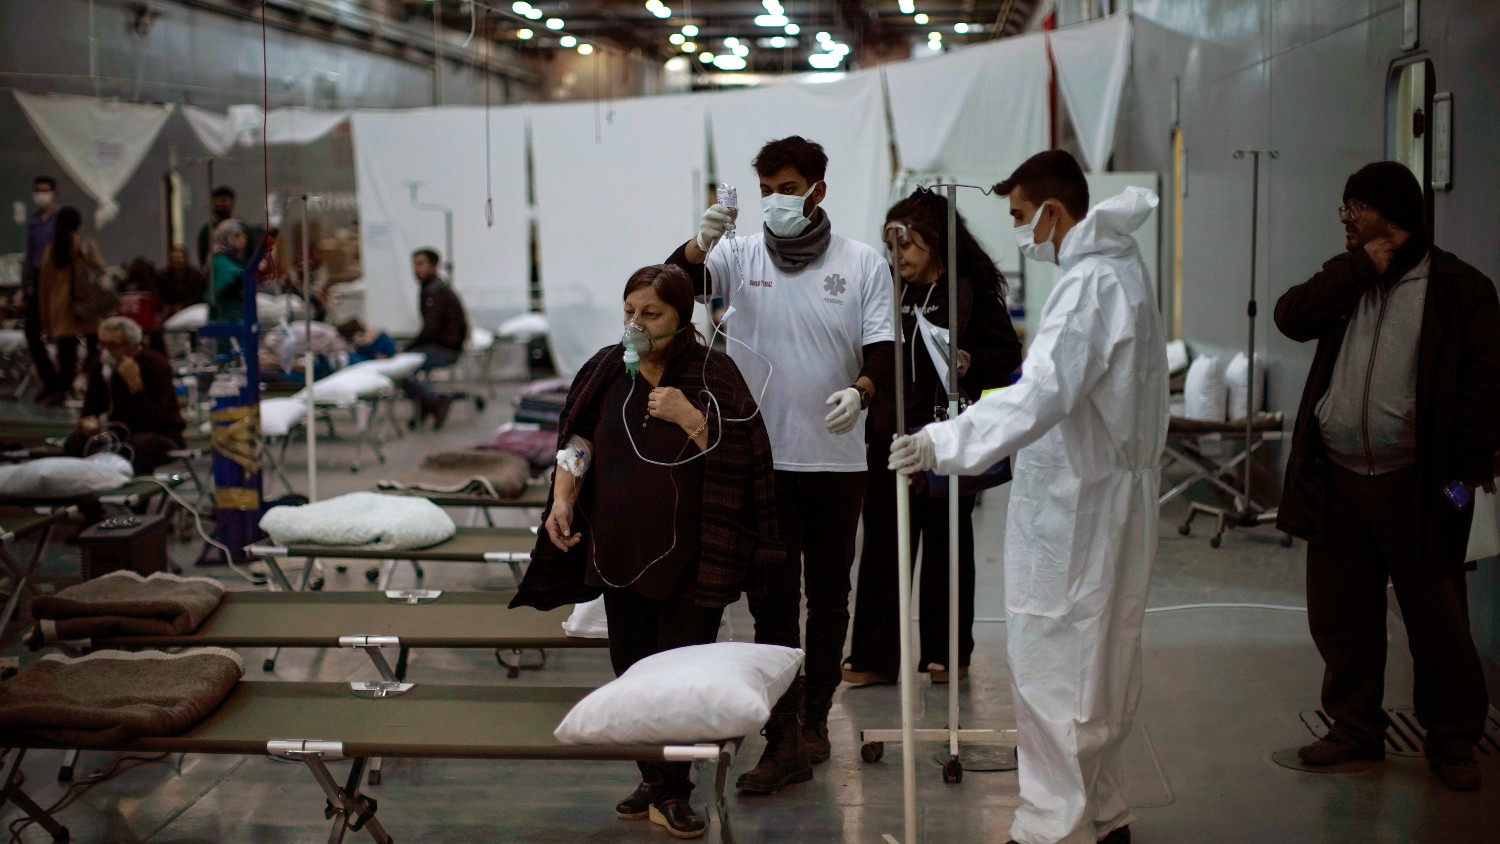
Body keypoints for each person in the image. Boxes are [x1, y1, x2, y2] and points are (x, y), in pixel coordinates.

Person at [890, 150, 1166, 844]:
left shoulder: (1090, 284)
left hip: (1079, 506)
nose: (1018, 232)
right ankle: (1103, 816)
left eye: (1019, 217)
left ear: (1052, 212)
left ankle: (1049, 828)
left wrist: (941, 442)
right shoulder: (1120, 268)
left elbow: (1040, 393)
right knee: (1096, 668)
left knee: (1056, 670)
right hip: (1109, 494)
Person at [511, 264, 781, 840]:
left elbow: (751, 454)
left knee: (677, 678)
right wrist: (563, 496)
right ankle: (656, 778)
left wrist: (693, 420)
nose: (636, 324)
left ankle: (674, 790)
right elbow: (577, 438)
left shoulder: (714, 373)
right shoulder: (608, 369)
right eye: (629, 311)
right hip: (618, 550)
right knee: (631, 673)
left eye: (651, 314)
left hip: (693, 556)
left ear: (682, 318)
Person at [666, 135, 895, 791]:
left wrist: (861, 392)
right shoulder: (736, 256)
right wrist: (696, 242)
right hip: (759, 458)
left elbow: (882, 350)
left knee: (828, 597)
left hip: (837, 459)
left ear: (819, 189)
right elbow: (668, 293)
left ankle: (816, 716)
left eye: (788, 187)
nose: (776, 200)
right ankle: (782, 730)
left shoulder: (861, 264)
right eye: (766, 188)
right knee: (771, 600)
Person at [1274, 161, 1500, 792]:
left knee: (1439, 618)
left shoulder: (1461, 288)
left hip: (1424, 486)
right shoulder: (1347, 279)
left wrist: (1462, 488)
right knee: (1341, 613)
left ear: (1393, 215)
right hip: (1340, 479)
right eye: (1344, 208)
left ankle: (1454, 740)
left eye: (1357, 208)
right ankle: (1353, 727)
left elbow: (1484, 396)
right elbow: (1289, 317)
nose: (1345, 219)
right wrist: (1356, 270)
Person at [843, 189, 1022, 687]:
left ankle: (947, 653)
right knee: (882, 545)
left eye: (908, 245)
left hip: (945, 436)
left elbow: (1006, 352)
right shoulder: (886, 290)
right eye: (892, 246)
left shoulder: (967, 291)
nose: (898, 256)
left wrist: (966, 361)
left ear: (936, 242)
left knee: (947, 544)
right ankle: (876, 655)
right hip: (887, 436)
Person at [64, 316, 185, 475]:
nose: (106, 351)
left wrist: (136, 386)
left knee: (138, 444)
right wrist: (87, 423)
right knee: (76, 441)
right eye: (102, 344)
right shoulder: (101, 367)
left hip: (160, 434)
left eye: (113, 346)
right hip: (115, 432)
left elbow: (154, 421)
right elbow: (90, 410)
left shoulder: (156, 365)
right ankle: (84, 492)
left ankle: (136, 495)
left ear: (132, 346)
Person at [35, 206, 106, 405]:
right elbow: (100, 270)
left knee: (66, 354)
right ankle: (86, 380)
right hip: (85, 305)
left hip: (60, 308)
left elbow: (44, 286)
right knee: (94, 345)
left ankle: (63, 390)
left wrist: (45, 319)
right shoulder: (85, 245)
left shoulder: (52, 249)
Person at [403, 247, 468, 430]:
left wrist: (407, 349)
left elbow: (430, 329)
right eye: (415, 265)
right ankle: (427, 403)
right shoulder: (431, 289)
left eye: (421, 264)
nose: (417, 269)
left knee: (403, 370)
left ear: (434, 265)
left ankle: (433, 400)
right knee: (404, 367)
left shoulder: (436, 292)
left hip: (445, 350)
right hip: (440, 346)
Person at [22, 175, 61, 402]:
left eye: (45, 190)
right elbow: (30, 255)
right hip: (37, 279)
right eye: (38, 190)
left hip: (56, 279)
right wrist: (24, 284)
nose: (41, 194)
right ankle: (49, 378)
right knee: (32, 331)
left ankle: (62, 384)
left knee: (61, 333)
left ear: (53, 192)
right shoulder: (34, 221)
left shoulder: (59, 219)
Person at [207, 219, 250, 324]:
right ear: (225, 238)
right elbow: (222, 291)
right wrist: (243, 277)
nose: (243, 239)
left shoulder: (236, 260)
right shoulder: (220, 260)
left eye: (243, 235)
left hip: (240, 315)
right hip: (227, 318)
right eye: (237, 236)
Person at [156, 245, 205, 319]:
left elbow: (198, 296)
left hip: (190, 311)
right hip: (168, 312)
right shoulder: (162, 276)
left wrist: (183, 306)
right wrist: (165, 306)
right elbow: (158, 294)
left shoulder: (196, 276)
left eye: (180, 258)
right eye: (174, 258)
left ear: (186, 259)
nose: (177, 261)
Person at [197, 185, 239, 267]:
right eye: (218, 201)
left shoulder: (241, 227)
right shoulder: (207, 230)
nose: (221, 204)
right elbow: (203, 258)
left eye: (224, 200)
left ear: (232, 202)